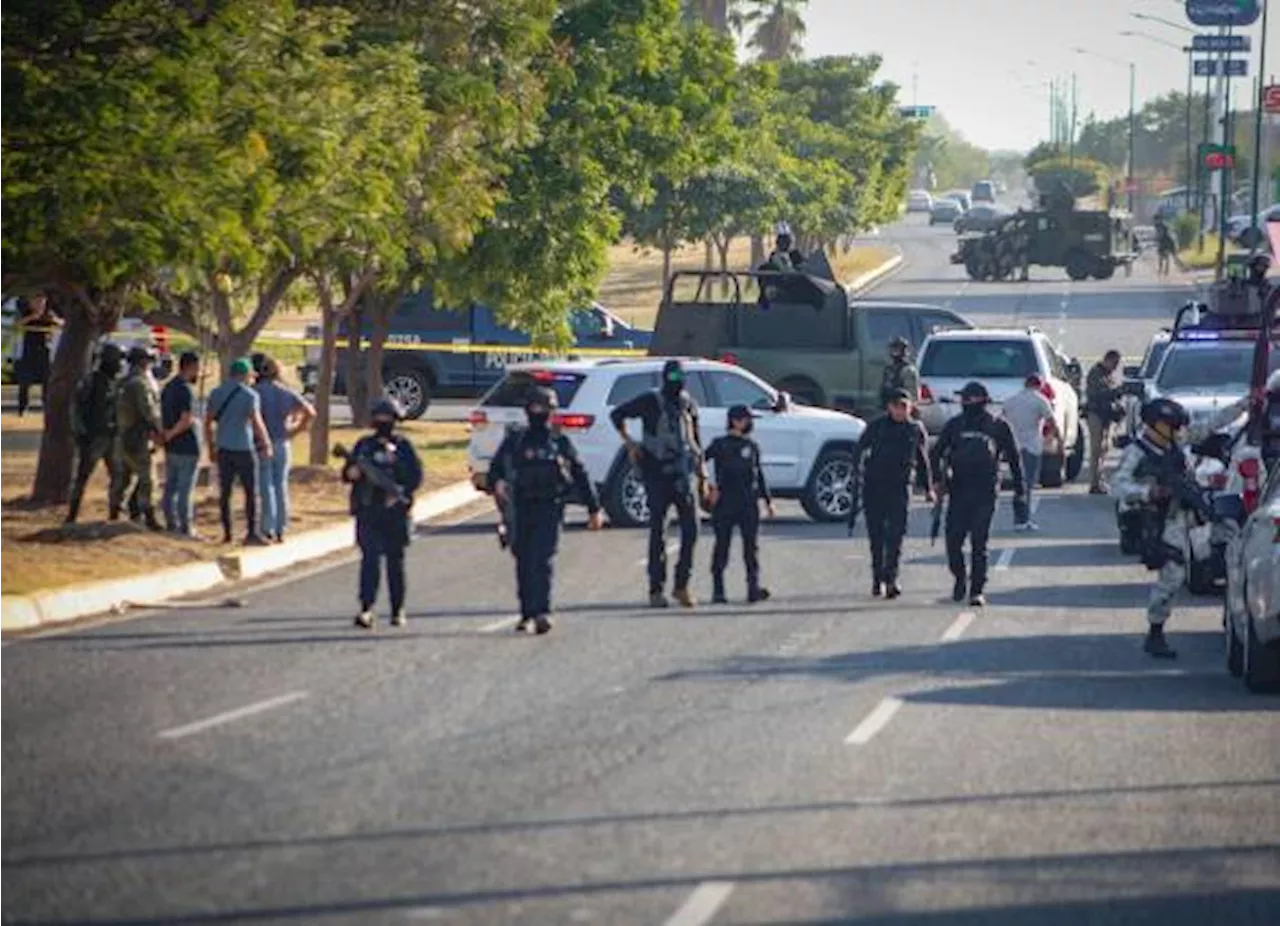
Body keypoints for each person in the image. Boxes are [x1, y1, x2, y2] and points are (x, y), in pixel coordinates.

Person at [488, 387, 603, 634]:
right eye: (535, 408)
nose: (539, 413)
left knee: (542, 560)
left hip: (549, 508)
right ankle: (526, 612)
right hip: (520, 508)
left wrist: (594, 509)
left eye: (544, 408)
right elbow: (494, 471)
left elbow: (579, 473)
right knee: (523, 562)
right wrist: (497, 484)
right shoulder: (516, 440)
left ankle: (542, 611)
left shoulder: (559, 441)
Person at [611, 359, 707, 608]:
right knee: (658, 533)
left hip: (682, 475)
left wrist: (703, 476)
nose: (676, 382)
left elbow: (696, 442)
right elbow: (617, 414)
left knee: (692, 531)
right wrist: (630, 443)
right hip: (656, 474)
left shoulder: (688, 404)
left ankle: (681, 585)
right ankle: (656, 589)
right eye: (672, 377)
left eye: (679, 377)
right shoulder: (650, 401)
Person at [1110, 397, 1201, 659]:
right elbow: (1118, 486)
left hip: (1183, 518)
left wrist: (1245, 405)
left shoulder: (1174, 446)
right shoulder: (1137, 452)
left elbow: (1206, 428)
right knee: (1173, 573)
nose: (1177, 430)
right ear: (1157, 425)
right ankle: (1156, 630)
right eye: (1172, 425)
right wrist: (1148, 492)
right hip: (1156, 523)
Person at [929, 381, 1025, 607]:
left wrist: (1020, 491)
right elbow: (936, 453)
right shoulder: (954, 425)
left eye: (967, 398)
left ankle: (976, 590)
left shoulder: (998, 426)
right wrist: (935, 480)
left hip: (986, 491)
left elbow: (1014, 458)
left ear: (980, 400)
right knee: (953, 542)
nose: (963, 402)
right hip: (958, 489)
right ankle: (960, 578)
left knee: (979, 543)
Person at [343, 396, 423, 629]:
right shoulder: (364, 446)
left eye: (387, 417)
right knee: (369, 561)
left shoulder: (403, 447)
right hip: (368, 511)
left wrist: (398, 493)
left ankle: (398, 609)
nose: (382, 421)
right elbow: (348, 474)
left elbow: (415, 477)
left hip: (395, 513)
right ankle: (366, 608)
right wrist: (354, 472)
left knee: (395, 563)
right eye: (379, 417)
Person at [851, 388, 933, 598]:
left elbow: (923, 459)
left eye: (904, 406)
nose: (900, 410)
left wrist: (929, 488)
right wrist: (857, 474)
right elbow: (859, 449)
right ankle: (877, 578)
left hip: (900, 487)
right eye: (896, 406)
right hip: (874, 486)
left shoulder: (914, 429)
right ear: (889, 407)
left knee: (896, 536)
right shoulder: (876, 426)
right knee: (876, 536)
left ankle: (891, 579)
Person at [704, 404, 775, 605]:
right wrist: (707, 486)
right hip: (725, 501)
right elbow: (699, 461)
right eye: (745, 419)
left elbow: (758, 475)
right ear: (735, 420)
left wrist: (768, 501)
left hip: (748, 502)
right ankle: (718, 590)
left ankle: (753, 588)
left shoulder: (752, 446)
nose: (749, 423)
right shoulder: (719, 444)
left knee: (751, 548)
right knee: (722, 546)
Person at [204, 357, 271, 545]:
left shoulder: (216, 393)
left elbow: (208, 423)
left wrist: (211, 447)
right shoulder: (250, 396)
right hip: (244, 447)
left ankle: (227, 532)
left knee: (225, 493)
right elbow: (256, 422)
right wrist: (266, 443)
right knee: (250, 491)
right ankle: (252, 531)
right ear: (245, 375)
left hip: (224, 447)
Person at [253, 356, 315, 543]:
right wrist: (296, 428)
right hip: (282, 441)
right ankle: (281, 527)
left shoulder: (255, 392)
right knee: (280, 485)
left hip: (262, 443)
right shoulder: (286, 392)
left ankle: (267, 526)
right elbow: (310, 412)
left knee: (266, 485)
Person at [66, 343, 123, 524]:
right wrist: (80, 434)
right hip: (93, 438)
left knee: (118, 476)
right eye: (117, 361)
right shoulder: (91, 381)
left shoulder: (116, 382)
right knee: (82, 477)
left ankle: (114, 513)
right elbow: (75, 409)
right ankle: (72, 514)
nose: (120, 365)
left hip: (112, 437)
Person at [108, 347, 163, 529]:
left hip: (120, 435)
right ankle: (149, 515)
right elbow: (149, 411)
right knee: (148, 478)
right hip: (138, 437)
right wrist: (160, 431)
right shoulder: (140, 383)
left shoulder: (121, 382)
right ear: (142, 361)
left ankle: (114, 511)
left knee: (122, 478)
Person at [1001, 373, 1058, 532]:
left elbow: (1002, 419)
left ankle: (1019, 518)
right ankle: (1024, 519)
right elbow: (1052, 421)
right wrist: (1049, 439)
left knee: (1019, 483)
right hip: (1032, 445)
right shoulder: (1040, 400)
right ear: (1038, 385)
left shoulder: (1011, 400)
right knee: (1028, 484)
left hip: (1014, 446)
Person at [159, 351, 202, 537]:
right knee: (185, 489)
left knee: (171, 486)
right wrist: (172, 433)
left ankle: (171, 521)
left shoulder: (168, 387)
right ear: (190, 367)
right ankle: (186, 526)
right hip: (186, 445)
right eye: (197, 369)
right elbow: (186, 419)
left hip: (172, 446)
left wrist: (166, 435)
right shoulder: (185, 390)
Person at [1084, 349, 1125, 494]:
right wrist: (1116, 392)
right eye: (1114, 363)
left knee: (1104, 449)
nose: (1115, 367)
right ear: (1107, 360)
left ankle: (1099, 480)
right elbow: (1097, 394)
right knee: (1096, 450)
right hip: (1095, 414)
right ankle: (1094, 482)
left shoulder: (1109, 375)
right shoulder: (1096, 373)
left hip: (1106, 415)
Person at [16, 292, 60, 416]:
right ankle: (22, 407)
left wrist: (54, 320)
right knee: (25, 382)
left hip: (44, 351)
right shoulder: (26, 313)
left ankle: (47, 407)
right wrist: (32, 317)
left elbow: (63, 324)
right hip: (29, 352)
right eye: (36, 301)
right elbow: (17, 324)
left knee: (47, 381)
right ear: (30, 302)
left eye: (42, 301)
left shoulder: (49, 315)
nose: (39, 304)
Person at [880, 336, 920, 407]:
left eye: (897, 349)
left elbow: (912, 394)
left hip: (903, 406)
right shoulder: (889, 369)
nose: (895, 351)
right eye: (893, 349)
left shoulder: (908, 370)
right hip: (889, 405)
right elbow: (884, 388)